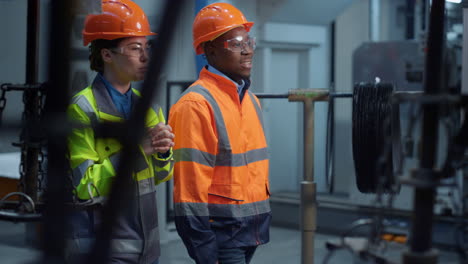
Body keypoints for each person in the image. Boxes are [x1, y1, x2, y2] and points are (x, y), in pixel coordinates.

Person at [66, 0, 174, 263]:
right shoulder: (83, 108)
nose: (145, 57)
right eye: (135, 48)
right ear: (106, 54)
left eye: (147, 47)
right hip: (102, 244)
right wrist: (138, 150)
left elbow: (161, 176)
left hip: (147, 243)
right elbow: (85, 187)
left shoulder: (149, 108)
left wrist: (163, 153)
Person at [168, 3, 271, 264]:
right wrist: (204, 249)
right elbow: (188, 192)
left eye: (248, 41)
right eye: (236, 43)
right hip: (220, 235)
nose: (247, 50)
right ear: (210, 50)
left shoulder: (250, 100)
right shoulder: (196, 105)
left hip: (250, 231)